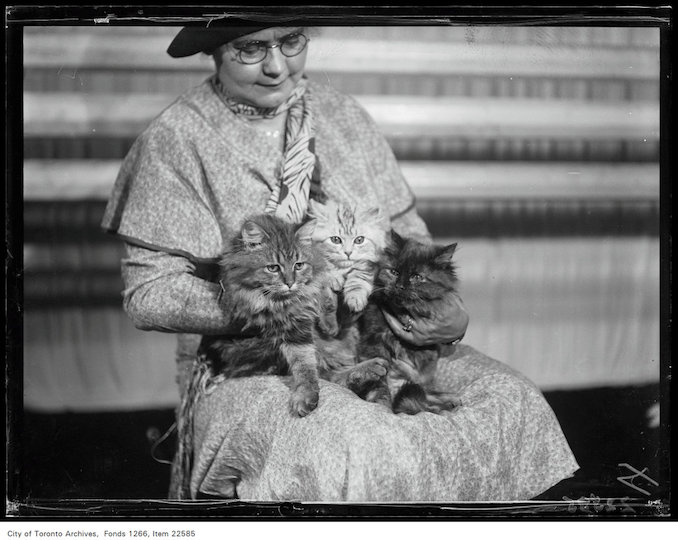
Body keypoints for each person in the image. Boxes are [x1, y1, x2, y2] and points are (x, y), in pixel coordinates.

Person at [102, 22, 578, 501]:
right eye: (250, 48)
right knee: (356, 442)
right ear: (214, 51)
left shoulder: (344, 115)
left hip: (376, 335)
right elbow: (149, 295)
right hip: (256, 359)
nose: (276, 65)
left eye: (291, 42)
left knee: (515, 402)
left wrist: (448, 314)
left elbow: (410, 236)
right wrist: (280, 305)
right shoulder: (177, 137)